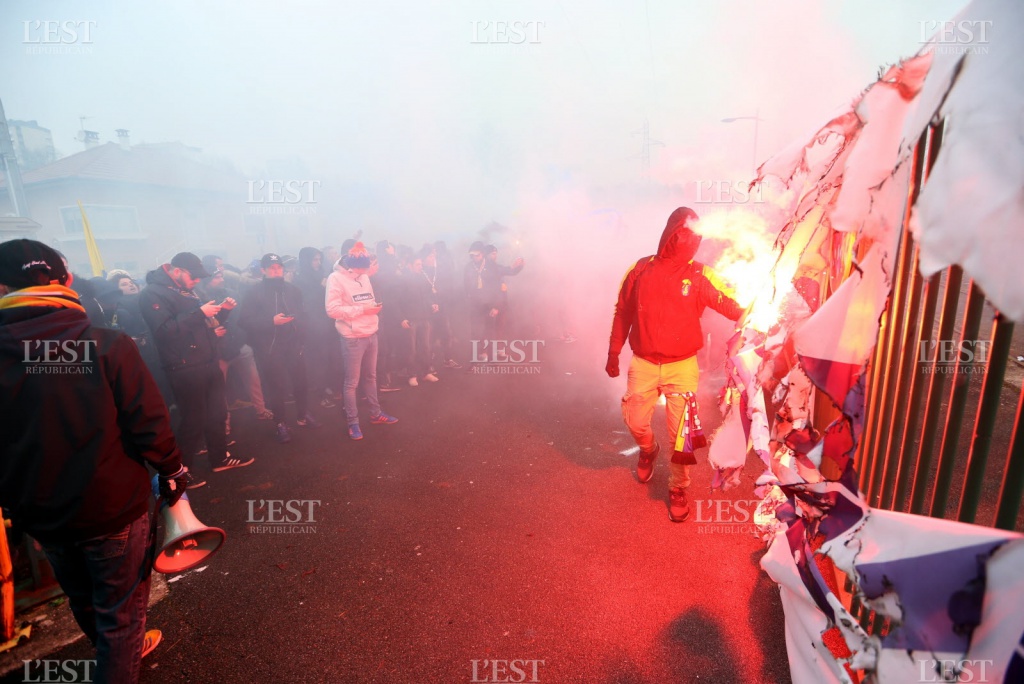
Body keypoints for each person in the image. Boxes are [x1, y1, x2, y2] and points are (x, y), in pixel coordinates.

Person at [0, 239, 191, 683]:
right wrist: (173, 471)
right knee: (121, 616)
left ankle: (117, 650)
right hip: (111, 509)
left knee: (84, 599)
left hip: (40, 513)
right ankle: (120, 652)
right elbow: (148, 423)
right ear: (67, 281)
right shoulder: (105, 343)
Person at [606, 207, 743, 522]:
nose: (684, 240)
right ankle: (648, 449)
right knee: (634, 420)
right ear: (668, 233)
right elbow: (623, 311)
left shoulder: (700, 274)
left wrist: (755, 308)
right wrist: (613, 352)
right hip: (643, 363)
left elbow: (729, 305)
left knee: (682, 435)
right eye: (679, 233)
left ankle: (678, 486)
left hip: (682, 367)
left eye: (690, 235)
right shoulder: (640, 269)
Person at [140, 252, 254, 476]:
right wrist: (199, 312)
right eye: (194, 276)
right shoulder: (151, 293)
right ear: (177, 271)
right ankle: (180, 472)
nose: (197, 281)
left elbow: (204, 325)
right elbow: (164, 331)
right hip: (183, 366)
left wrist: (223, 313)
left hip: (208, 360)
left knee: (217, 413)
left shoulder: (185, 289)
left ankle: (219, 458)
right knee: (193, 420)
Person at [237, 253, 320, 443]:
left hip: (293, 345)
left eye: (279, 267)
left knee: (301, 382)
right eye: (272, 268)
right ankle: (280, 423)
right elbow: (243, 321)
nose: (276, 271)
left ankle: (302, 415)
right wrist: (270, 321)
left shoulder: (293, 290)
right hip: (269, 348)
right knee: (277, 388)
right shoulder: (254, 292)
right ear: (263, 270)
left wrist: (301, 331)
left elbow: (303, 313)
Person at [326, 242, 398, 440]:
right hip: (352, 337)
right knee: (351, 383)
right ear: (351, 266)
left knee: (371, 377)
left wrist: (373, 308)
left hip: (371, 332)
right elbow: (332, 310)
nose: (365, 272)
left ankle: (375, 414)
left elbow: (366, 300)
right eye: (362, 269)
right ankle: (353, 423)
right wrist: (363, 310)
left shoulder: (364, 276)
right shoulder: (336, 278)